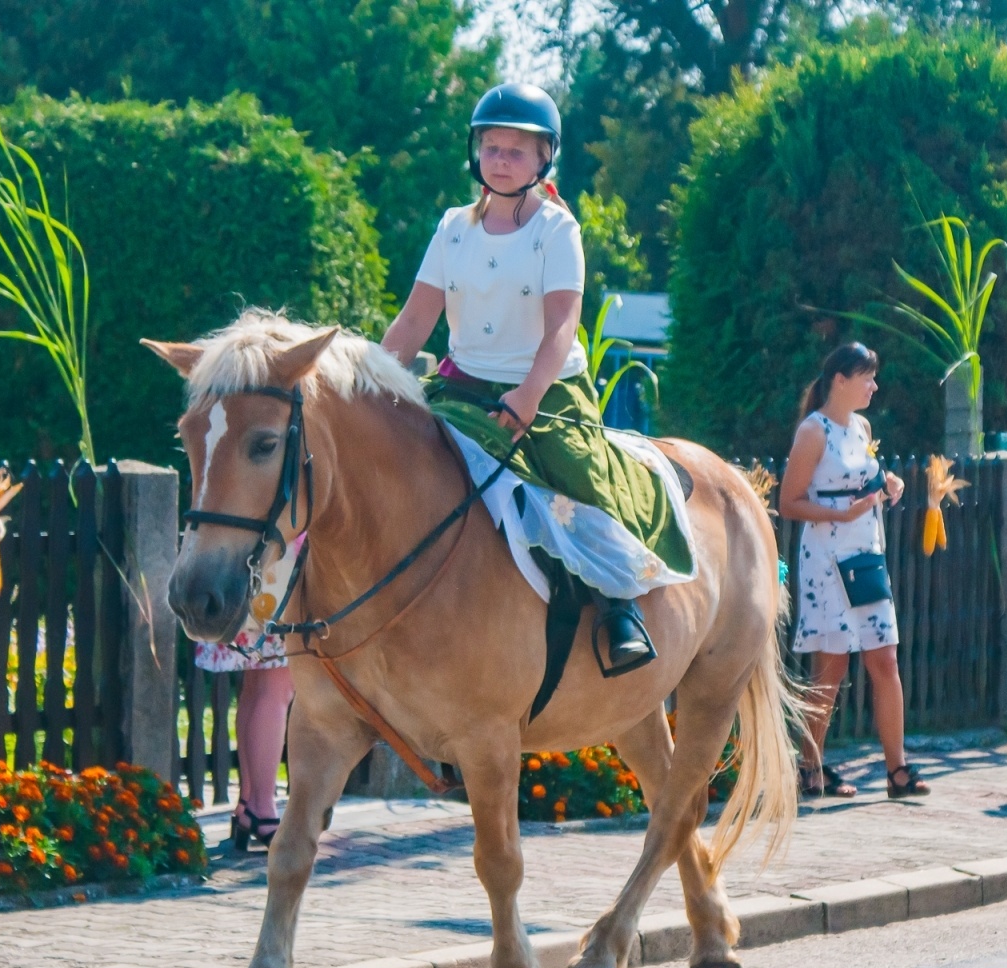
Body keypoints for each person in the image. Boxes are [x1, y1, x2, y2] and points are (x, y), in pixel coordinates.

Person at [379, 83, 692, 675]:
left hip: (546, 391)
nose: (500, 160)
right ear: (476, 153)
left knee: (582, 475)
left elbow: (561, 329)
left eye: (515, 151)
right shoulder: (451, 227)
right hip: (462, 388)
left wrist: (526, 399)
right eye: (491, 147)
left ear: (545, 158)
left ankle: (618, 606)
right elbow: (415, 320)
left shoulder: (557, 231)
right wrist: (364, 387)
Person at [779, 343, 926, 800]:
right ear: (839, 380)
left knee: (885, 658)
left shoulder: (861, 427)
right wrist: (841, 515)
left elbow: (864, 479)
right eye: (867, 376)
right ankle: (810, 768)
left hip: (867, 555)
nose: (875, 385)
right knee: (833, 666)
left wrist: (890, 483)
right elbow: (788, 503)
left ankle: (897, 771)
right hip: (827, 561)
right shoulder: (813, 431)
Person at [192, 533, 303, 850]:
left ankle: (249, 804)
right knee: (276, 689)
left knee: (256, 688)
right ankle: (262, 809)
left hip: (250, 563)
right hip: (277, 566)